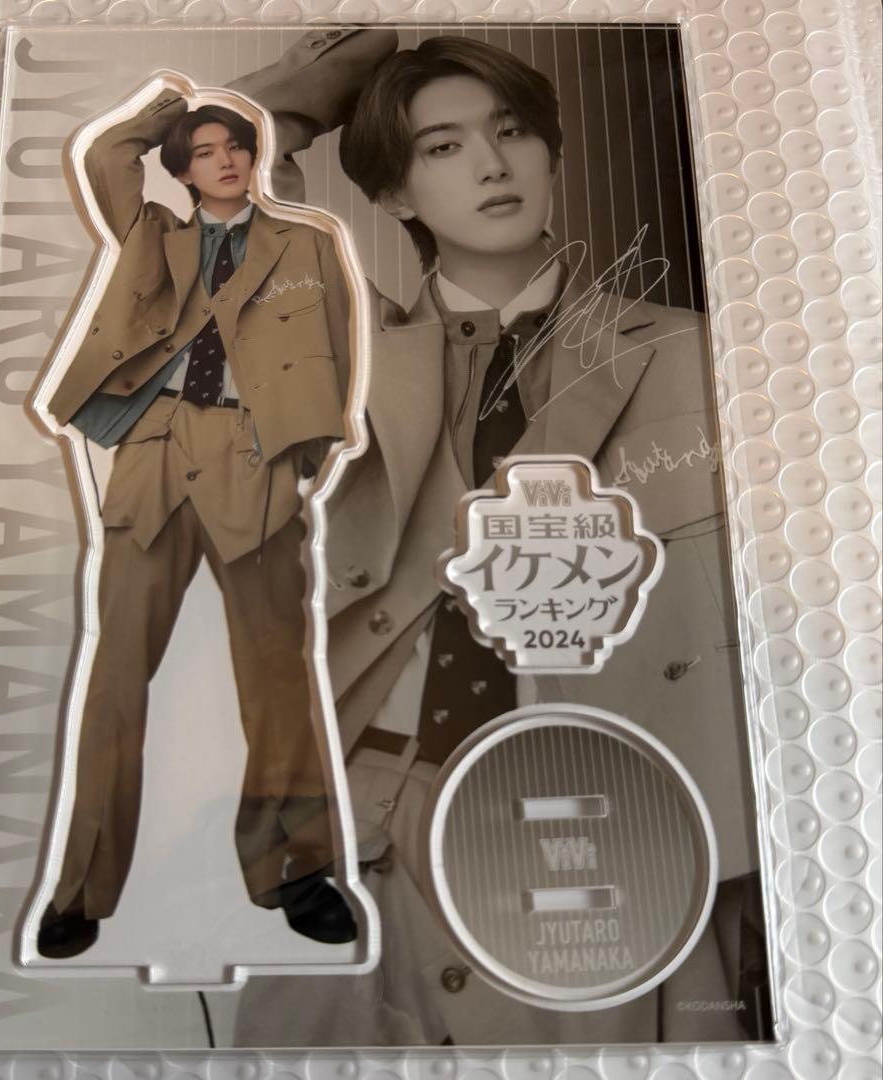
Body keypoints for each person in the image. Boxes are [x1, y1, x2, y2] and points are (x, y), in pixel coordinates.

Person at [233, 29, 771, 1045]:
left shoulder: (699, 358)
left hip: (606, 825)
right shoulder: (335, 357)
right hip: (364, 817)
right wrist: (356, 68)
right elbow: (210, 167)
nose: (491, 163)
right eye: (442, 146)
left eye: (513, 131)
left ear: (554, 155)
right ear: (391, 193)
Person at [36, 84, 364, 958]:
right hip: (153, 450)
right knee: (115, 677)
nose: (226, 161)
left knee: (277, 677)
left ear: (255, 160)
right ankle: (81, 887)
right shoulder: (153, 234)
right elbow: (107, 158)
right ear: (181, 168)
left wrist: (301, 455)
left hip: (253, 455)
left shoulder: (306, 243)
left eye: (237, 147)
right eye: (206, 151)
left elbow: (337, 348)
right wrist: (170, 107)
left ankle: (297, 871)